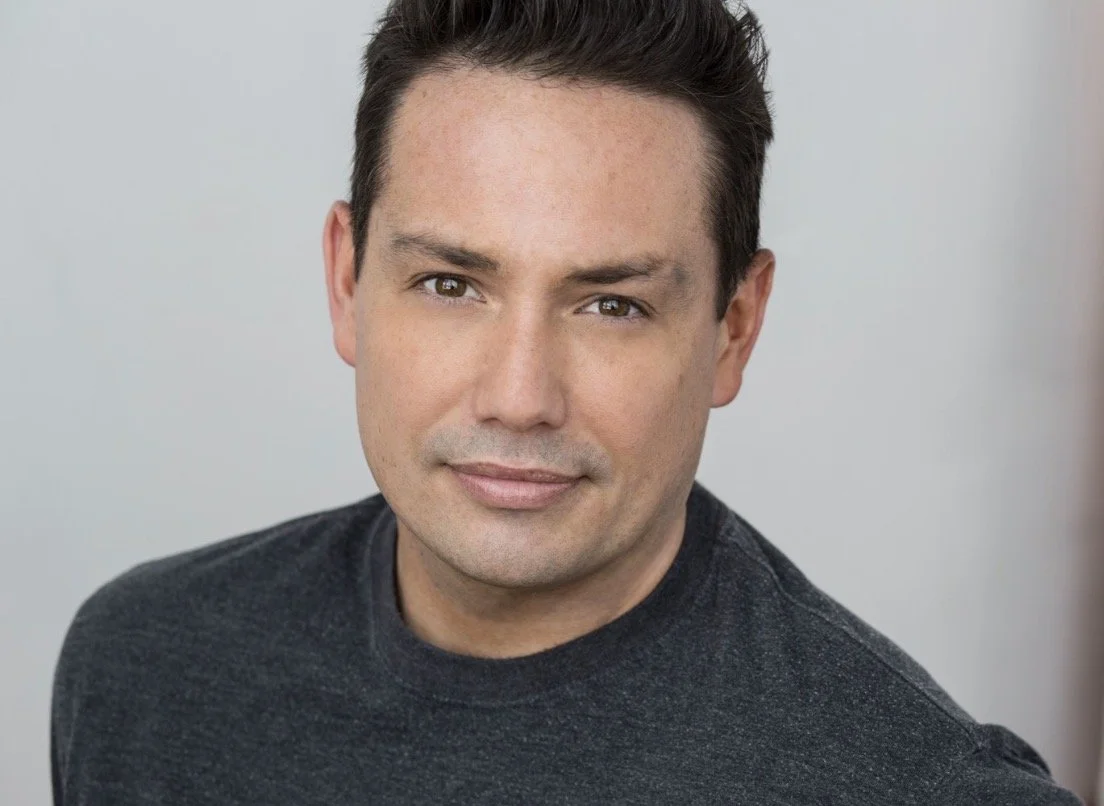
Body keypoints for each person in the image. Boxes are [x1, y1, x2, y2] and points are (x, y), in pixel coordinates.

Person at [50, 1, 1083, 803]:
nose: (519, 394)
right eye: (453, 284)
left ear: (734, 326)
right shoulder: (146, 671)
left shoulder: (916, 786)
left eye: (611, 304)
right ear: (345, 280)